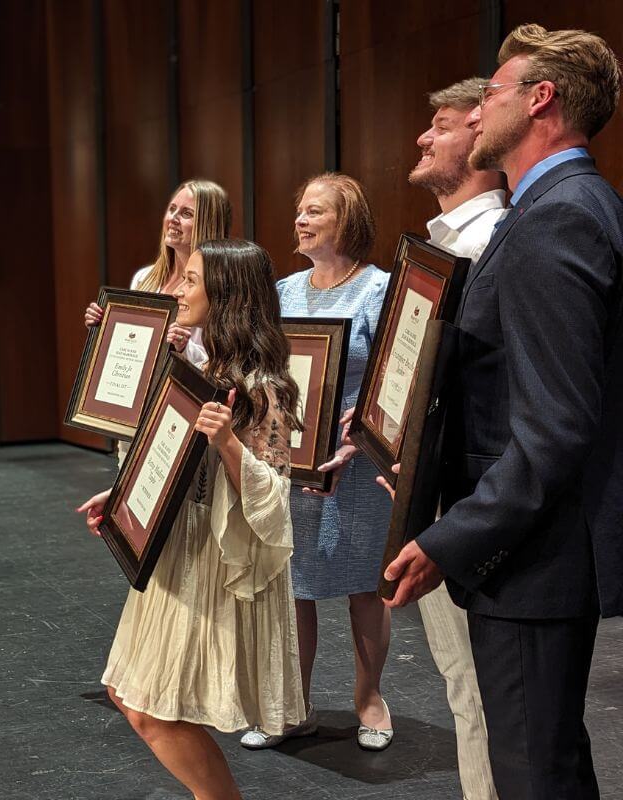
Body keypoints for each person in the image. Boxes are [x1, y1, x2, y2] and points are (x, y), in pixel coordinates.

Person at [384, 24, 623, 798]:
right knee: (548, 762)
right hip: (532, 549)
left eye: (491, 94)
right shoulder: (559, 205)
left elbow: (555, 425)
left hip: (533, 557)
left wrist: (452, 537)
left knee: (532, 775)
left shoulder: (560, 216)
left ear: (541, 100)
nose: (478, 111)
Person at [77, 239, 305, 800]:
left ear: (224, 294)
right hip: (176, 549)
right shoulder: (204, 366)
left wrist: (227, 440)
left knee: (150, 706)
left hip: (211, 559)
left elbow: (275, 499)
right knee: (133, 696)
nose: (177, 288)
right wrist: (123, 493)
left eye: (192, 280)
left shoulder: (262, 386)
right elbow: (173, 455)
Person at [243, 174, 394, 750]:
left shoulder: (378, 289)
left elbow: (395, 379)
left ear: (346, 220)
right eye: (299, 210)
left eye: (314, 211)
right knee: (295, 585)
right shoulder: (282, 291)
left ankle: (369, 697)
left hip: (356, 461)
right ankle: (293, 704)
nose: (300, 220)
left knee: (363, 586)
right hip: (293, 458)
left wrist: (361, 435)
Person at [401, 76, 508, 800]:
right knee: (465, 686)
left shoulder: (493, 240)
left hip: (474, 501)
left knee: (484, 694)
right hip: (440, 490)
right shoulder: (444, 245)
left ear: (480, 133)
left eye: (441, 124)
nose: (422, 136)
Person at [84, 179, 232, 367]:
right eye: (172, 209)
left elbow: (223, 362)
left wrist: (185, 347)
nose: (173, 219)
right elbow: (133, 342)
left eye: (186, 213)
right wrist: (103, 326)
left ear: (207, 223)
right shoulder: (144, 277)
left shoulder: (219, 285)